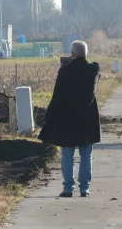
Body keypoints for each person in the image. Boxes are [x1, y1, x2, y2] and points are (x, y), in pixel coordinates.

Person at [39, 40, 100, 197]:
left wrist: (47, 117)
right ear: (86, 54)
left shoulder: (64, 71)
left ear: (72, 54)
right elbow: (92, 79)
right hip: (87, 119)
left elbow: (57, 96)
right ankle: (85, 188)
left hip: (67, 119)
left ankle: (68, 188)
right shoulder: (93, 69)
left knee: (67, 153)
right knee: (86, 154)